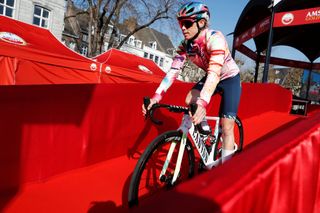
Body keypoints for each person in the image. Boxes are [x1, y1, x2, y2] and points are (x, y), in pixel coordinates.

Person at [142, 2, 241, 163]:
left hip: (229, 79)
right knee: (189, 99)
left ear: (202, 22)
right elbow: (173, 72)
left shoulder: (215, 38)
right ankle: (205, 130)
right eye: (181, 23)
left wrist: (202, 103)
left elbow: (215, 73)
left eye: (187, 23)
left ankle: (227, 171)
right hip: (211, 76)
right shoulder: (185, 46)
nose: (182, 28)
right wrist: (155, 98)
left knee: (227, 127)